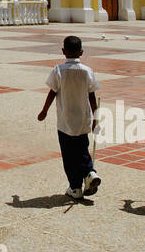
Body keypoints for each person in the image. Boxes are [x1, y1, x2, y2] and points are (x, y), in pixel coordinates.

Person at [37, 35, 101, 200]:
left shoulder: (58, 70)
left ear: (63, 51)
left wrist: (44, 111)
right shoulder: (87, 71)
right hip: (83, 120)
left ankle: (75, 187)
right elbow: (92, 96)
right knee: (82, 148)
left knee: (69, 155)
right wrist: (96, 117)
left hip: (65, 122)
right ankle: (89, 172)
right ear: (81, 52)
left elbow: (52, 92)